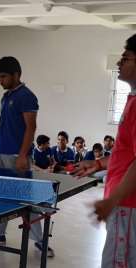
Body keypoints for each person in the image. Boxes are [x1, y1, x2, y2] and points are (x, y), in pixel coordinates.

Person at [0, 56, 54, 257]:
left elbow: (31, 127)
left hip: (16, 157)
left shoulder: (26, 96)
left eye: (3, 76)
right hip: (2, 153)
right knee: (1, 197)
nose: (0, 80)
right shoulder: (7, 96)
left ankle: (41, 241)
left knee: (25, 200)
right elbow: (10, 123)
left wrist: (22, 155)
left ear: (16, 75)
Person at [72, 34, 136, 268]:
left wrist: (113, 200)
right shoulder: (131, 99)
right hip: (121, 204)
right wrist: (98, 164)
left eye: (126, 58)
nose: (119, 63)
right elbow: (126, 153)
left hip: (128, 205)